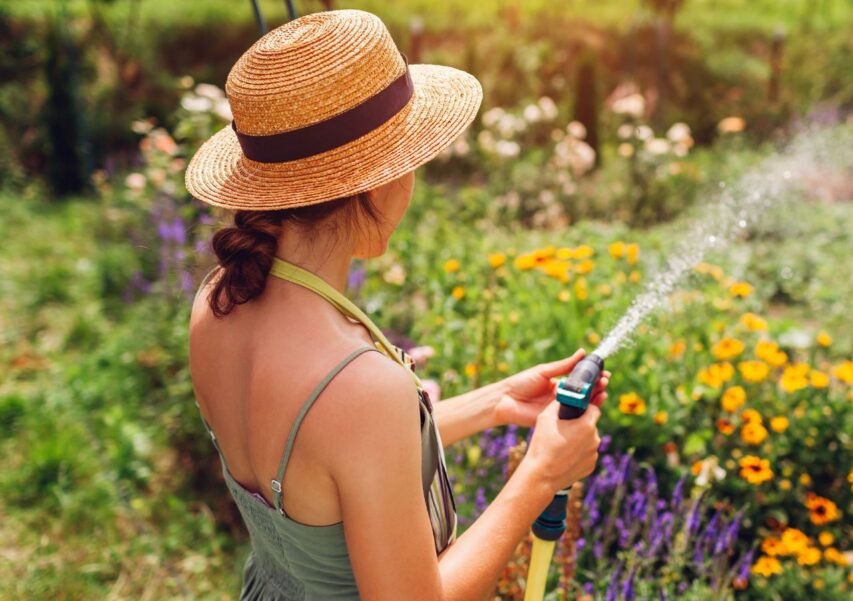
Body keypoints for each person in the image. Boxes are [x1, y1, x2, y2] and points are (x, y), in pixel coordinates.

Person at [183, 9, 609, 601]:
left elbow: (330, 466)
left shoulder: (217, 304)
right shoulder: (358, 386)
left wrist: (495, 404)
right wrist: (540, 475)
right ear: (379, 181)